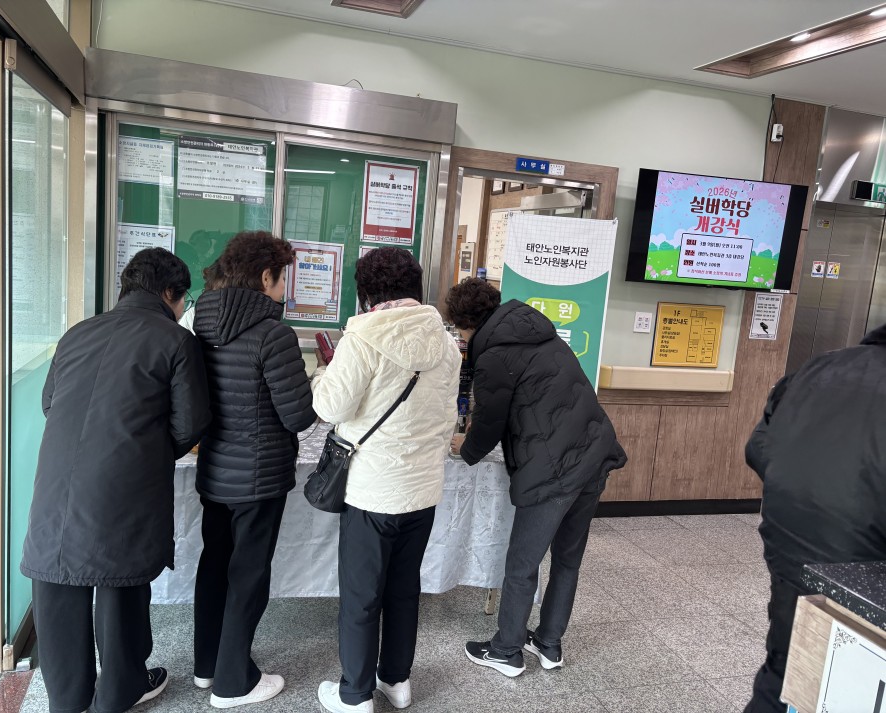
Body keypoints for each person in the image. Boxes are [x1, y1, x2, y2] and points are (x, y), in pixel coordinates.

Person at [21, 248, 211, 713]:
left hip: (56, 482)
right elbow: (190, 424)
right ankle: (119, 692)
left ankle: (68, 701)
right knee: (119, 586)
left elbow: (50, 403)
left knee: (58, 582)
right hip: (125, 484)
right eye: (183, 300)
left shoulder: (77, 333)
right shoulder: (176, 340)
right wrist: (143, 451)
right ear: (170, 293)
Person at [445, 278, 626, 677]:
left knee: (522, 563)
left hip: (554, 469)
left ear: (467, 325)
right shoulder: (541, 333)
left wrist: (464, 448)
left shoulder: (494, 355)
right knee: (567, 559)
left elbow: (489, 426)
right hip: (594, 454)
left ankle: (507, 650)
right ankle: (549, 642)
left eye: (459, 330)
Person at [312, 247, 460, 713]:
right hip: (423, 488)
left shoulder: (362, 338)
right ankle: (396, 681)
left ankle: (355, 694)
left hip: (373, 490)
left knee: (361, 596)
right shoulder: (447, 344)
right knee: (403, 589)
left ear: (366, 295)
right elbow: (447, 417)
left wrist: (322, 375)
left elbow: (330, 407)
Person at [192, 231, 317, 708]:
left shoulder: (200, 323)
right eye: (283, 279)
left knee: (214, 565)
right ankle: (233, 683)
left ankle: (207, 666)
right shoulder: (273, 334)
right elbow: (298, 416)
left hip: (215, 470)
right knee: (248, 574)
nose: (284, 289)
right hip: (260, 476)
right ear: (266, 277)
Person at [743, 322, 886, 712]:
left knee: (787, 665)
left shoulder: (819, 367)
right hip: (870, 575)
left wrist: (802, 488)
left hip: (791, 547)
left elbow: (758, 447)